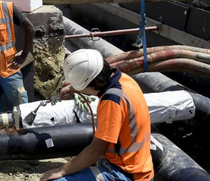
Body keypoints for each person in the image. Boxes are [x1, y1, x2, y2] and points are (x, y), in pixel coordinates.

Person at [41, 49, 154, 181]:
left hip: (124, 174)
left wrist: (61, 170)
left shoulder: (111, 101)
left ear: (97, 83)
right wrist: (74, 86)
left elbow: (97, 150)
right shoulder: (124, 79)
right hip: (140, 166)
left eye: (82, 85)